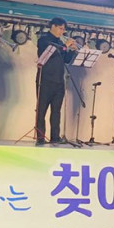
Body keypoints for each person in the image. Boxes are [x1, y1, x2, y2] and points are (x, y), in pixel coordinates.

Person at [35, 17, 77, 146]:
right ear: (53, 26)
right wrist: (65, 46)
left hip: (59, 81)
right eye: (60, 28)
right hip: (45, 80)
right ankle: (40, 138)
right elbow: (49, 53)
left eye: (63, 29)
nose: (62, 31)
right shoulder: (44, 40)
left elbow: (66, 60)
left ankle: (55, 137)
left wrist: (72, 51)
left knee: (56, 111)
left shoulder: (60, 42)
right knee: (41, 110)